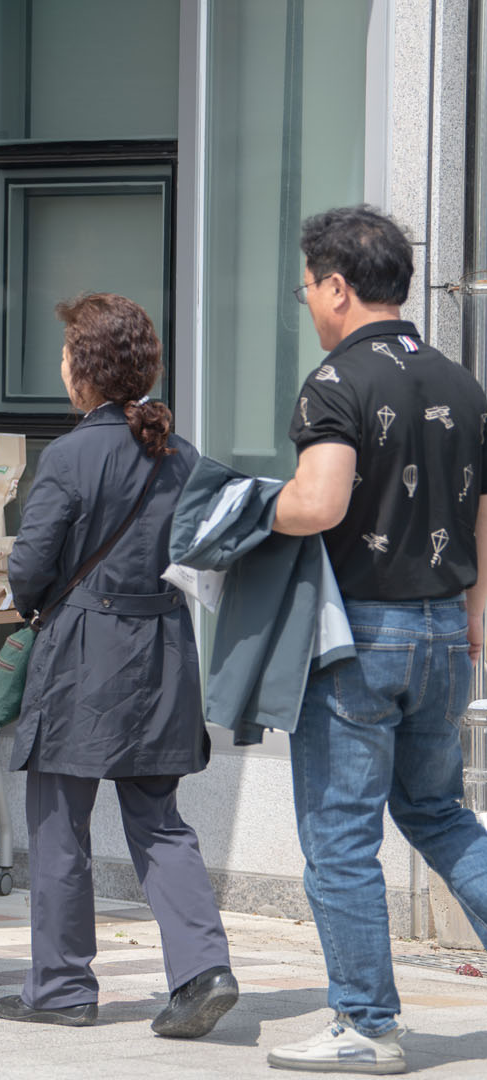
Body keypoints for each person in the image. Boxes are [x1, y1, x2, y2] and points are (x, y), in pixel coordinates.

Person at [265, 205, 487, 1075]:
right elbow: (481, 514)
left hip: (360, 637)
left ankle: (366, 1023)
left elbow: (318, 503)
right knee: (438, 813)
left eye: (307, 289)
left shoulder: (335, 381)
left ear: (336, 286)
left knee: (340, 837)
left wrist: (249, 509)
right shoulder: (461, 381)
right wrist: (475, 614)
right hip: (446, 629)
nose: (310, 306)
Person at [0, 293, 236, 1037]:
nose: (61, 365)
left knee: (60, 823)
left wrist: (29, 597)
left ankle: (62, 988)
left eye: (67, 353)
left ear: (85, 369)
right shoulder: (180, 454)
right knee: (160, 819)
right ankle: (203, 971)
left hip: (80, 657)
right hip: (163, 651)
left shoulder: (69, 455)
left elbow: (30, 570)